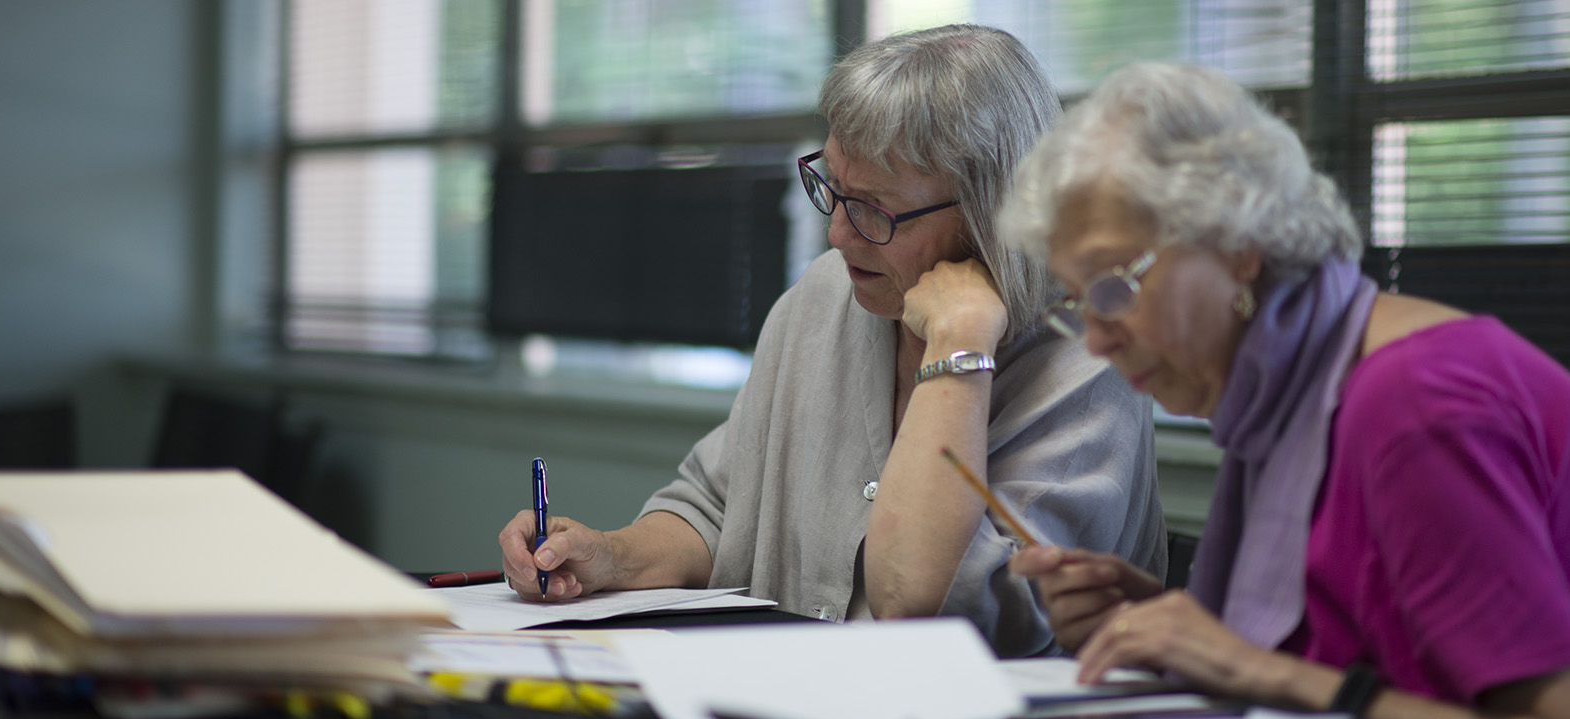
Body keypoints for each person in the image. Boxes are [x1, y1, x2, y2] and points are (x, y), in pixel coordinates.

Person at [1000, 62, 1570, 719]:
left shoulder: (1418, 405)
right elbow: (1350, 649)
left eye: (1113, 286)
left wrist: (1250, 669)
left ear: (1238, 245)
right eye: (1076, 303)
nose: (1096, 338)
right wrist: (1158, 630)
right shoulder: (1293, 384)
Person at [498, 25, 1169, 657]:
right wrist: (610, 558)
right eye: (834, 190)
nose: (838, 236)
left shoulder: (1085, 362)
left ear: (993, 215)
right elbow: (713, 510)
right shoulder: (829, 296)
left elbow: (934, 604)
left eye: (874, 209)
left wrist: (959, 341)